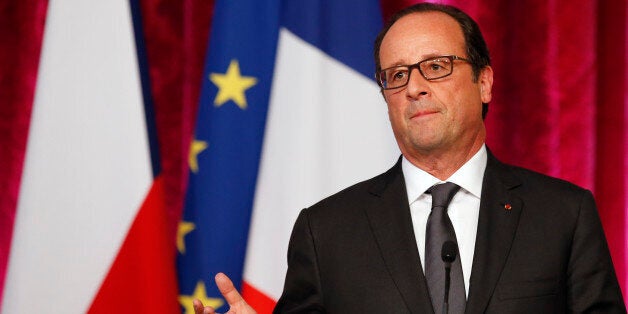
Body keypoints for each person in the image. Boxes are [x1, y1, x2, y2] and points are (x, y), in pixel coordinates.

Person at [194, 3, 626, 313]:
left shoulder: (563, 214)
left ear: (484, 82)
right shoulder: (325, 230)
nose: (415, 87)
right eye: (397, 75)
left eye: (436, 66)